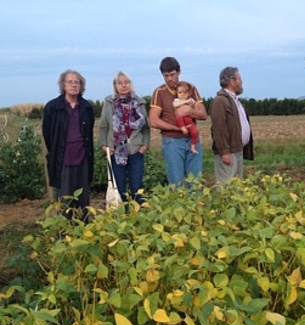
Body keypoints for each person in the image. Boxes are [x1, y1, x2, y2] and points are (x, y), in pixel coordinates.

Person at [42, 69, 95, 221]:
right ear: (63, 86)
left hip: (83, 160)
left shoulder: (87, 107)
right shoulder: (53, 107)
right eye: (70, 82)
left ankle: (84, 234)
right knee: (65, 201)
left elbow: (89, 132)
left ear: (81, 86)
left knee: (83, 201)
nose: (73, 85)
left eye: (76, 82)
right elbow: (48, 135)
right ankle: (64, 236)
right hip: (63, 161)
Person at [149, 57, 207, 186]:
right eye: (166, 76)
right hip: (172, 141)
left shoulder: (190, 89)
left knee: (196, 182)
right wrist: (178, 128)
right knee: (176, 183)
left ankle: (197, 205)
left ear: (179, 72)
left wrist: (189, 112)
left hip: (193, 140)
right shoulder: (159, 93)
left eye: (172, 75)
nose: (169, 79)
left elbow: (203, 114)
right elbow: (153, 121)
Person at [99, 71, 150, 204]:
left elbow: (146, 128)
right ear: (115, 86)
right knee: (120, 189)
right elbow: (104, 127)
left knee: (137, 188)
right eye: (120, 83)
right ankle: (123, 218)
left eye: (126, 82)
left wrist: (144, 146)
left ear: (130, 84)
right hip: (116, 152)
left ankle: (140, 217)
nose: (123, 85)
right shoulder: (109, 103)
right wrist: (104, 146)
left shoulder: (139, 103)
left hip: (136, 152)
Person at [210, 66, 254, 184]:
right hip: (229, 153)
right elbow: (219, 129)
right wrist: (224, 152)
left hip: (238, 150)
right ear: (231, 81)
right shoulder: (220, 101)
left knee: (236, 186)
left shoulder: (235, 100)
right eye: (239, 78)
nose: (242, 81)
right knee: (226, 185)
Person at [173, 81, 199, 154]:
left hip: (189, 121)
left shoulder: (191, 100)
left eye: (185, 93)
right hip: (181, 120)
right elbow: (175, 105)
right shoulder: (177, 100)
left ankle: (193, 147)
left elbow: (196, 110)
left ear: (188, 94)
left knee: (195, 133)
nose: (182, 95)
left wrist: (193, 105)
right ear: (177, 93)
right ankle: (182, 128)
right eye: (180, 93)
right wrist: (185, 102)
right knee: (179, 117)